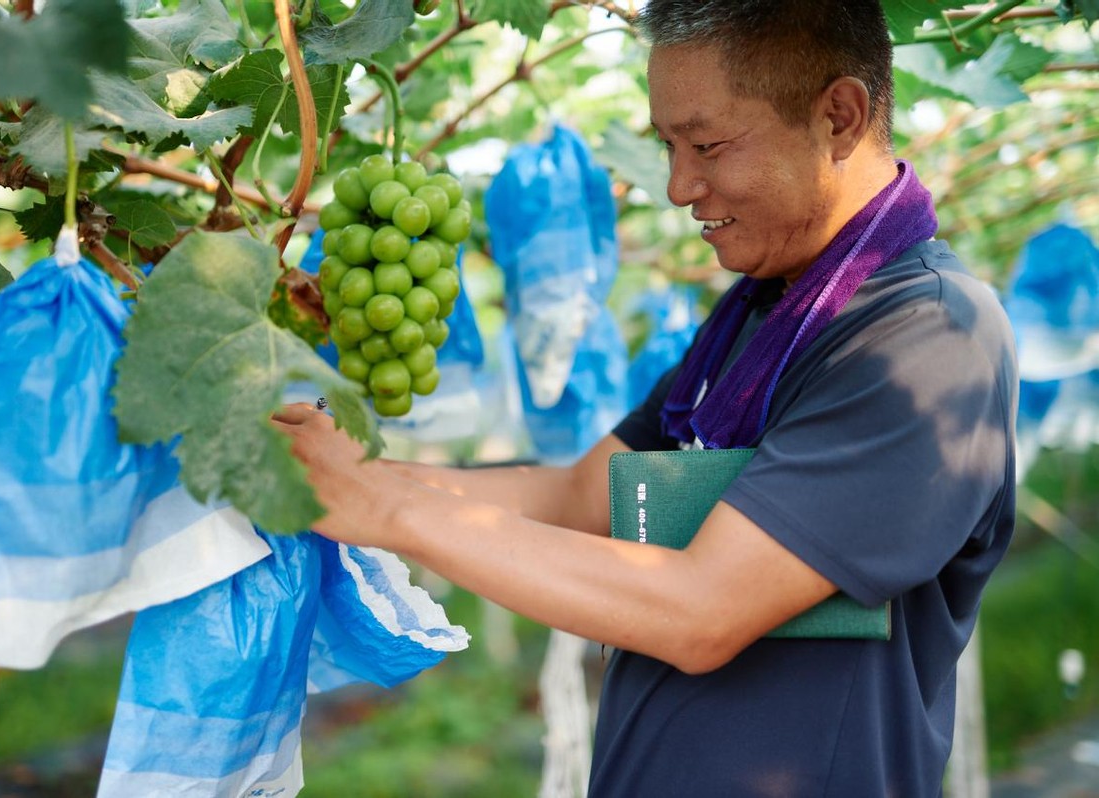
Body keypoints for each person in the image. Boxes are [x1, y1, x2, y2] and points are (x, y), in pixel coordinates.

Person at [274, 0, 1018, 794]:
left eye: (706, 145)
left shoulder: (930, 339)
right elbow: (576, 495)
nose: (678, 186)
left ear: (838, 116)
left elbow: (702, 611)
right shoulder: (757, 321)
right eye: (669, 146)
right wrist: (353, 474)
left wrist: (385, 511)